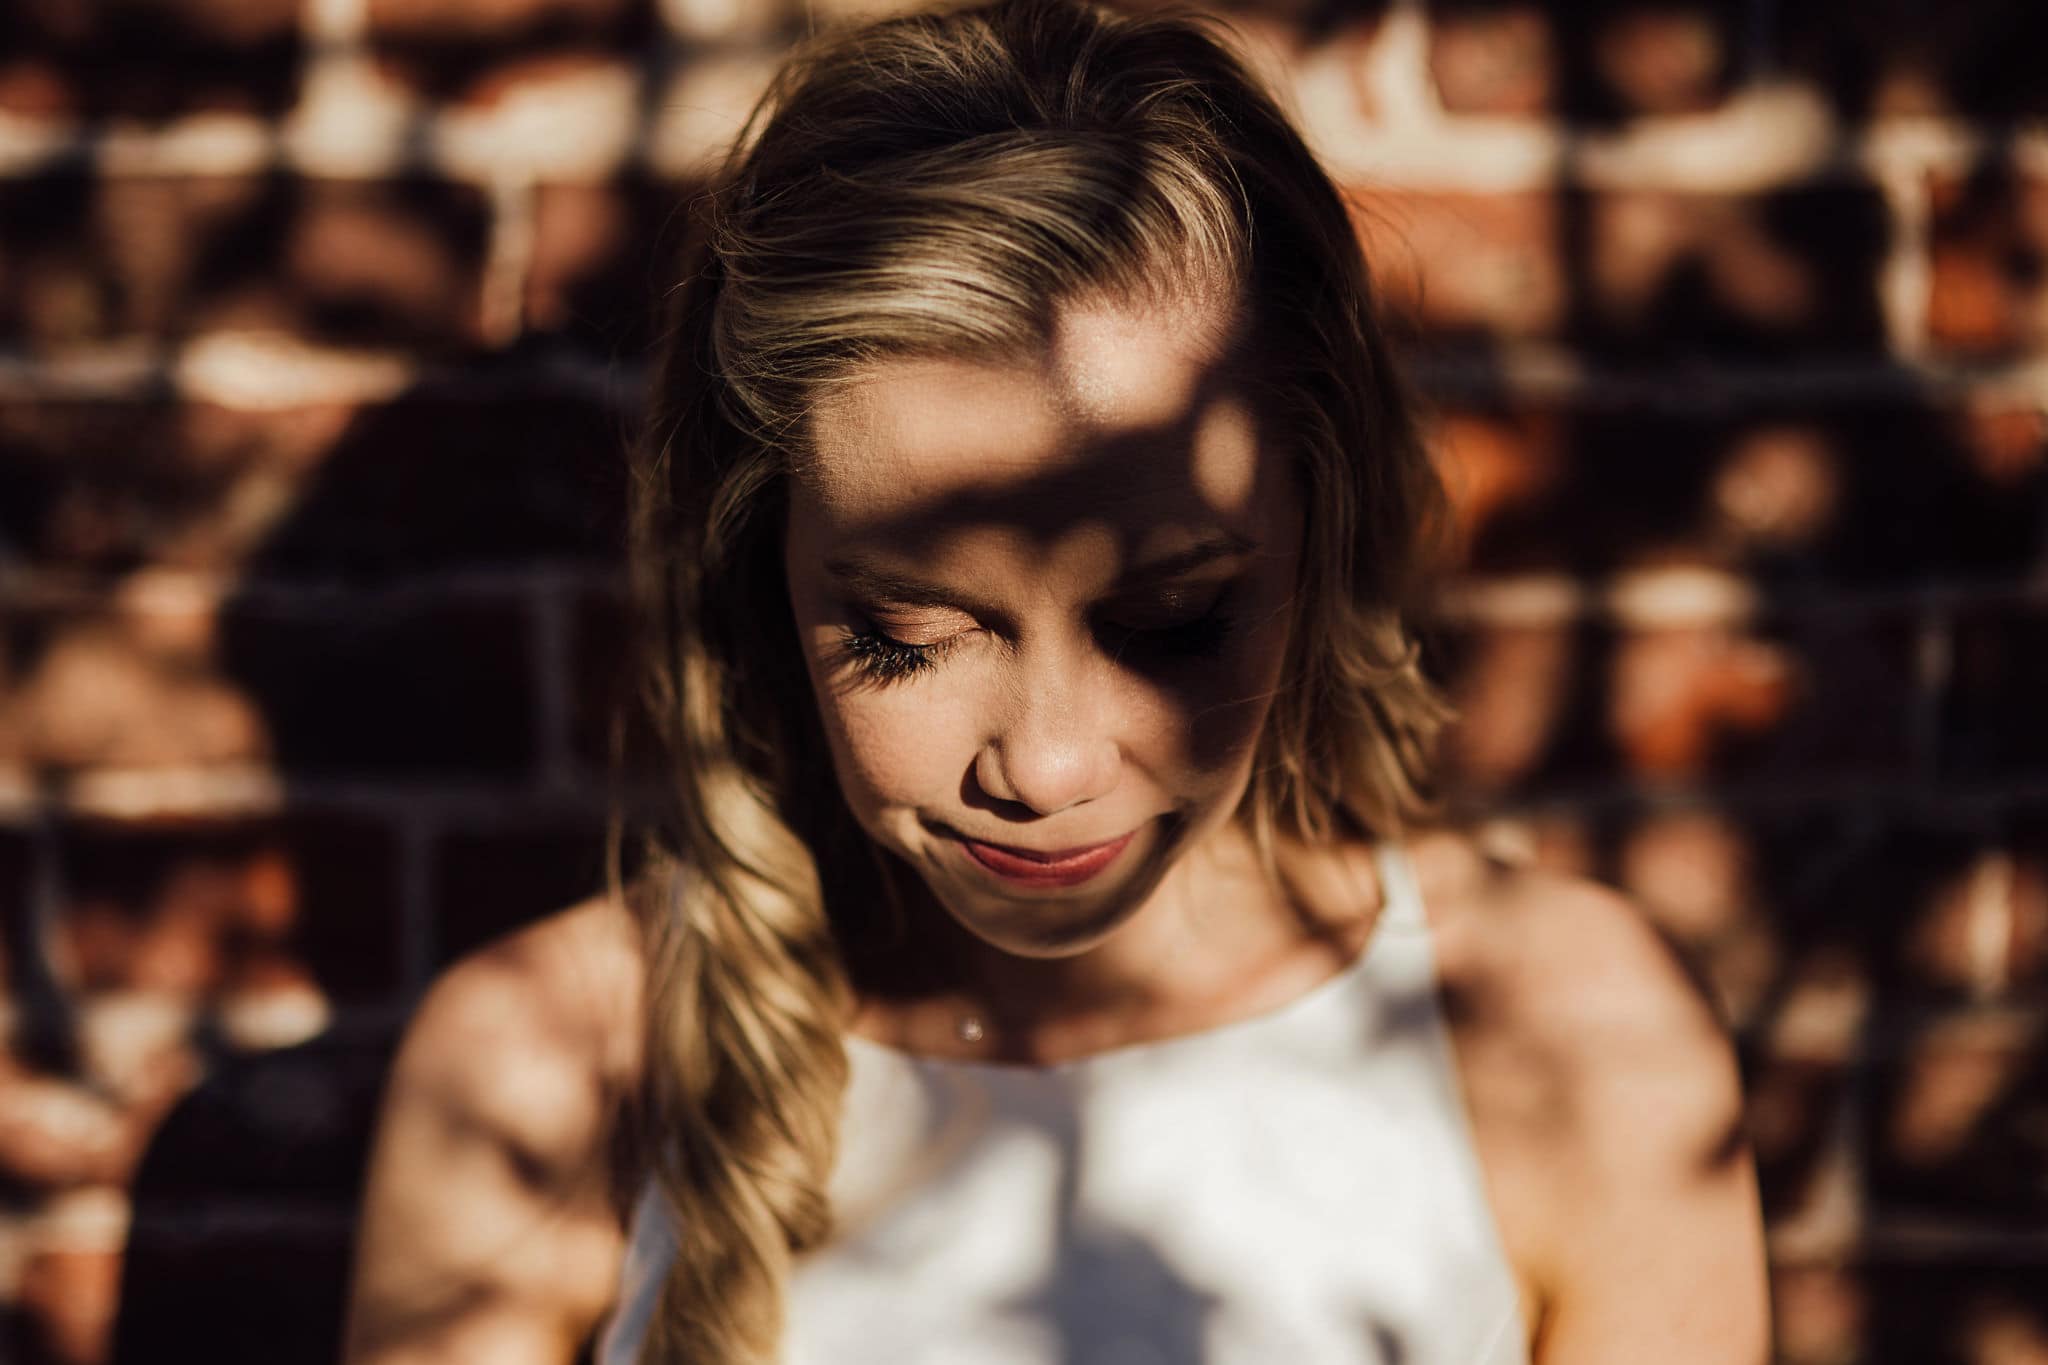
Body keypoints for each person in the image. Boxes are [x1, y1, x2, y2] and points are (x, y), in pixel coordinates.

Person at [341, 0, 1772, 1360]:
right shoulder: (543, 1067)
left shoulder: (1572, 1040)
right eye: (903, 629)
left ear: (1316, 532)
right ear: (762, 566)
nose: (1046, 764)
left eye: (1170, 619)